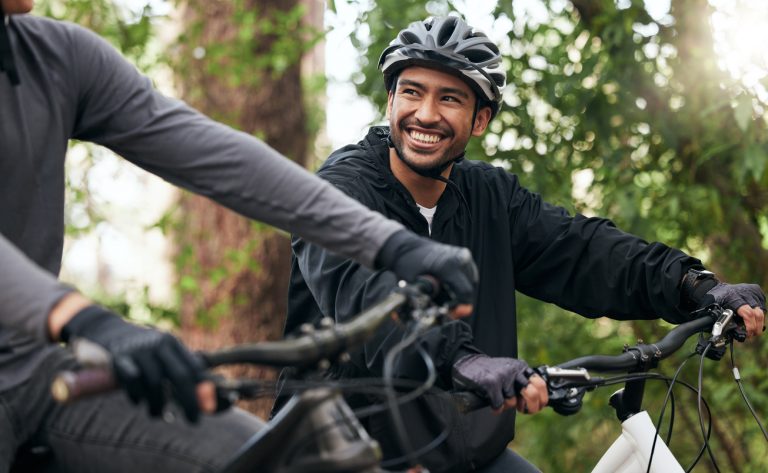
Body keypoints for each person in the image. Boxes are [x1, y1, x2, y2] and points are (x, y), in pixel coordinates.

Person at [0, 2, 480, 472]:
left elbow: (215, 155)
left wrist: (393, 245)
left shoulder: (55, 56)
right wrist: (83, 320)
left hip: (35, 372)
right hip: (49, 342)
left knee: (284, 458)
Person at [281, 15, 767, 473]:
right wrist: (463, 359)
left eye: (449, 98)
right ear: (391, 101)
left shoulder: (489, 198)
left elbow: (584, 251)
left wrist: (691, 284)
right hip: (344, 451)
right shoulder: (341, 190)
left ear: (480, 120)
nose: (425, 114)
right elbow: (364, 295)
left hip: (464, 453)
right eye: (412, 92)